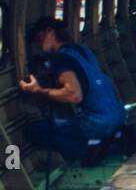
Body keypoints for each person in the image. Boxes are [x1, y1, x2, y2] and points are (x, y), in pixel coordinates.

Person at [20, 17, 126, 160]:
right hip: (118, 115)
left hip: (98, 123)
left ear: (50, 32)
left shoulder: (61, 58)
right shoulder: (83, 51)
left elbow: (74, 95)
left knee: (34, 130)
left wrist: (39, 90)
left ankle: (90, 149)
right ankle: (113, 138)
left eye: (38, 37)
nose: (36, 43)